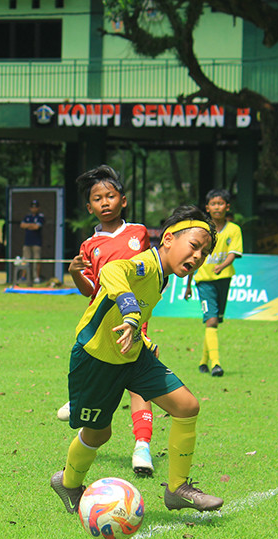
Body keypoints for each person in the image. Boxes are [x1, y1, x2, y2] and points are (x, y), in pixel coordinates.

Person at [50, 205, 223, 514]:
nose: (198, 257)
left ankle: (177, 489)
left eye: (204, 253)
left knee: (187, 406)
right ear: (168, 239)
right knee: (99, 433)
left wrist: (140, 334)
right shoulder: (145, 263)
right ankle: (69, 483)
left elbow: (143, 306)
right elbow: (112, 271)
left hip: (134, 355)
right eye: (194, 246)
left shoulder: (162, 275)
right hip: (96, 359)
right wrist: (130, 313)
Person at [62, 165, 157, 477]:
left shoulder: (139, 234)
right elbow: (91, 290)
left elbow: (152, 272)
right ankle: (80, 402)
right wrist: (76, 272)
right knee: (102, 374)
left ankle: (142, 448)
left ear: (123, 201)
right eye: (97, 199)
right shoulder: (89, 246)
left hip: (134, 319)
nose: (105, 202)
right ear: (90, 208)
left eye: (110, 196)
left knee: (138, 383)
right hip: (103, 322)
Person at [184, 188, 242, 377]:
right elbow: (194, 258)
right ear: (207, 208)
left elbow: (234, 252)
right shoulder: (202, 231)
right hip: (204, 282)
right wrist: (188, 285)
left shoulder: (234, 229)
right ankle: (216, 364)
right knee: (212, 320)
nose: (217, 207)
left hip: (224, 280)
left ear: (227, 207)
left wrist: (222, 265)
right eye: (213, 204)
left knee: (214, 323)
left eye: (221, 203)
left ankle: (203, 361)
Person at [20, 199, 45, 284]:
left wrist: (29, 225)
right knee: (25, 259)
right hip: (27, 242)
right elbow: (22, 225)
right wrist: (31, 225)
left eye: (35, 207)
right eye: (32, 207)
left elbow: (37, 227)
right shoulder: (27, 217)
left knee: (36, 260)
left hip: (36, 242)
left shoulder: (40, 217)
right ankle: (24, 277)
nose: (34, 209)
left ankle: (36, 277)